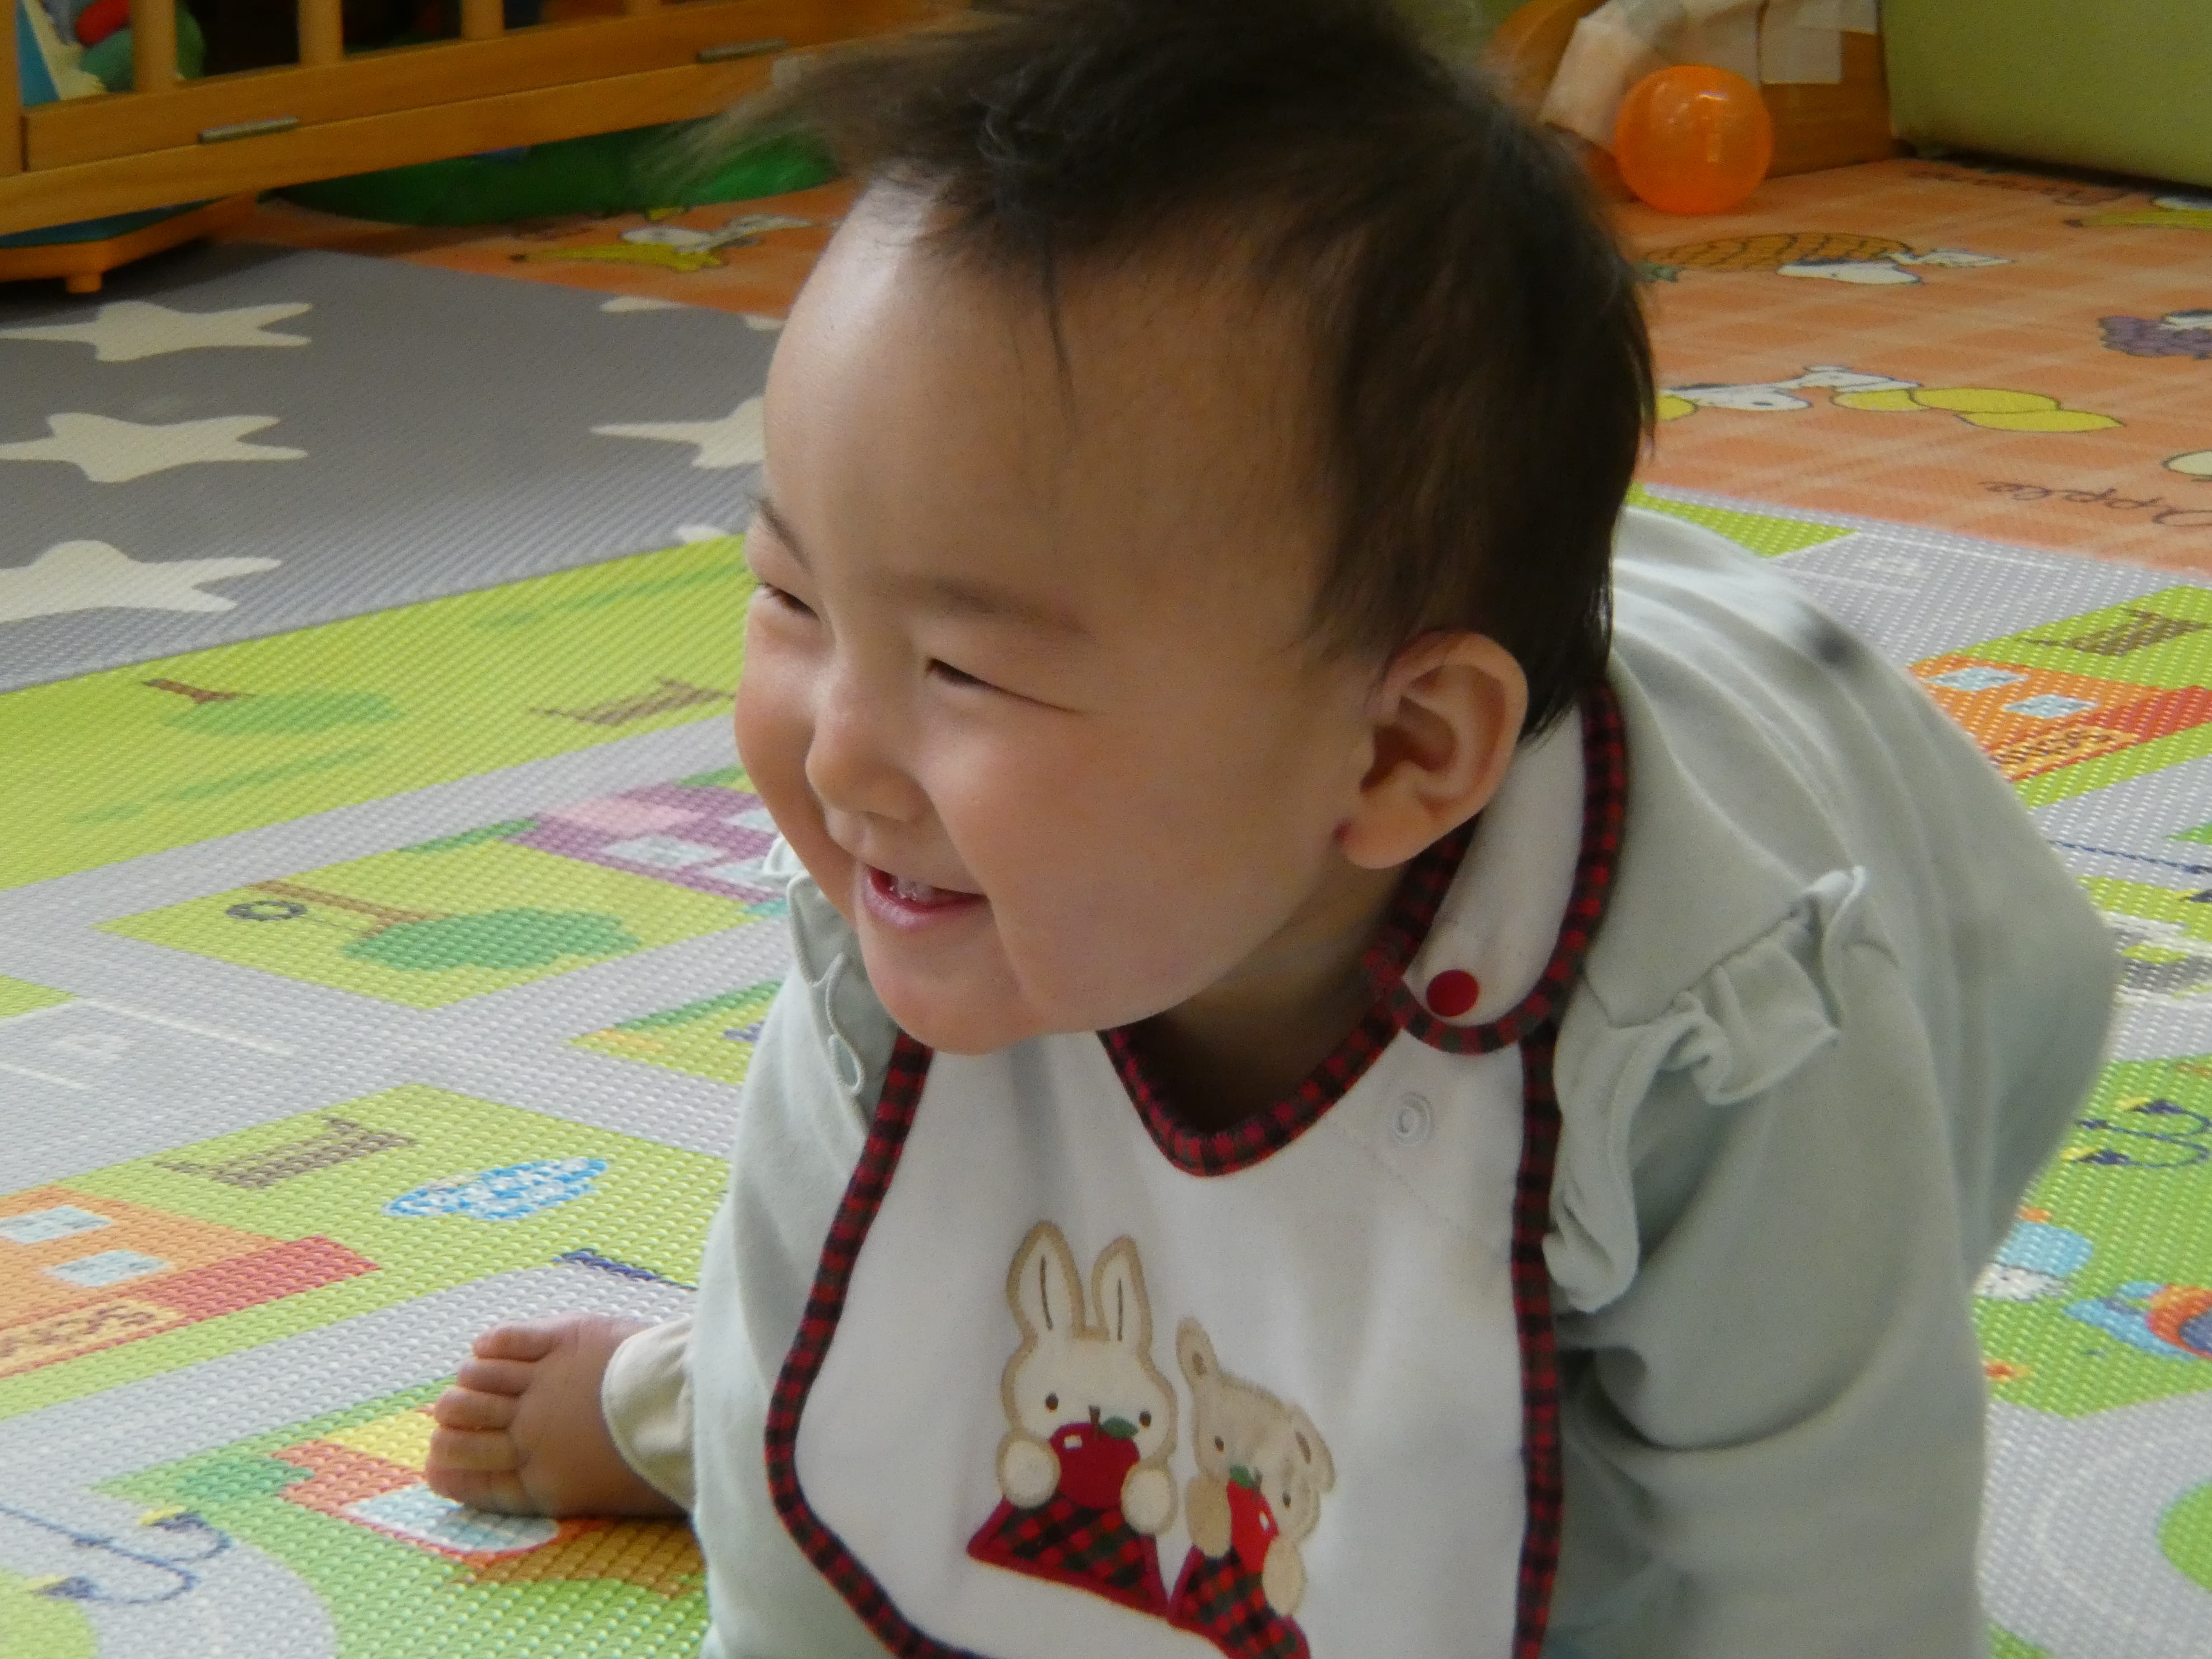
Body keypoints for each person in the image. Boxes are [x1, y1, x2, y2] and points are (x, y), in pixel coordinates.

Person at [421, 1, 2117, 1654]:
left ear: (1399, 754)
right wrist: (747, 1464)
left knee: (1553, 1546)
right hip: (1326, 733)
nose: (841, 752)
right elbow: (817, 1342)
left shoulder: (1714, 1043)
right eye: (791, 595)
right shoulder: (928, 885)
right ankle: (667, 1405)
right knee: (891, 1370)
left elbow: (1825, 1574)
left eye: (966, 668)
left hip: (1912, 938)